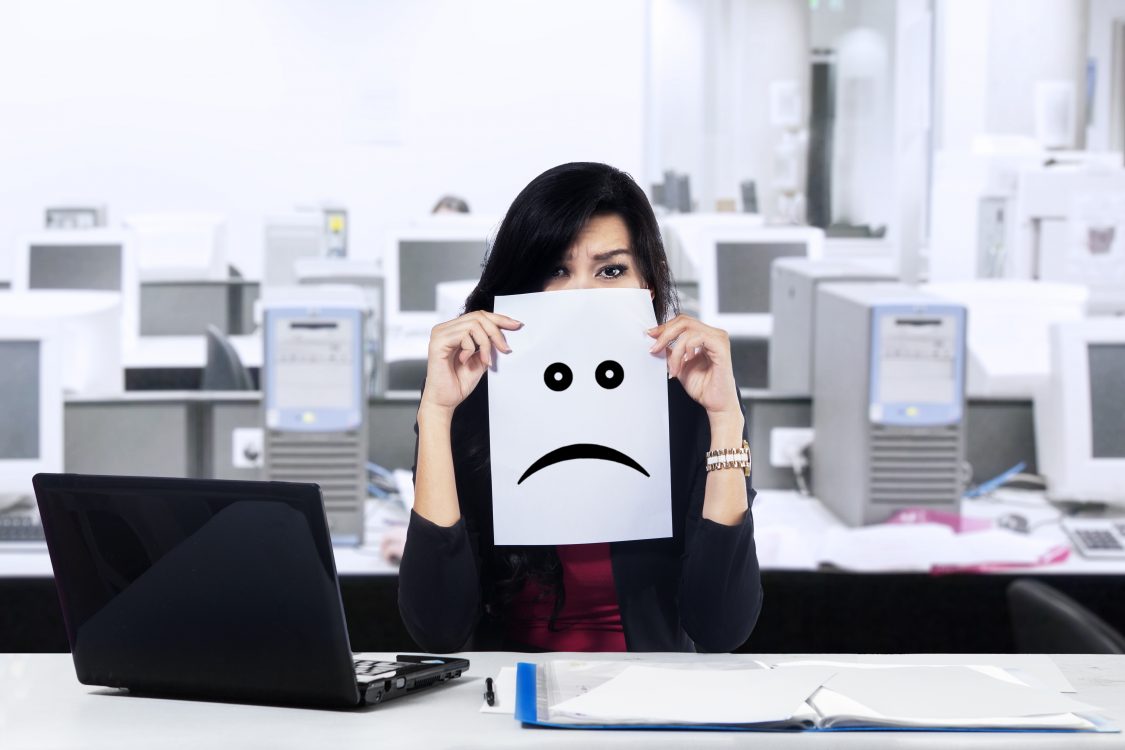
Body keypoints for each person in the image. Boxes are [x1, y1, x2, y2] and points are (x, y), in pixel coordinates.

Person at [399, 162, 762, 653]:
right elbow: (436, 630)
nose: (583, 296)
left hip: (646, 702)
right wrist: (437, 414)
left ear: (647, 285)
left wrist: (724, 420)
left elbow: (722, 627)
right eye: (557, 270)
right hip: (503, 702)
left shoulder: (688, 391)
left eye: (610, 271)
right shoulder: (472, 390)